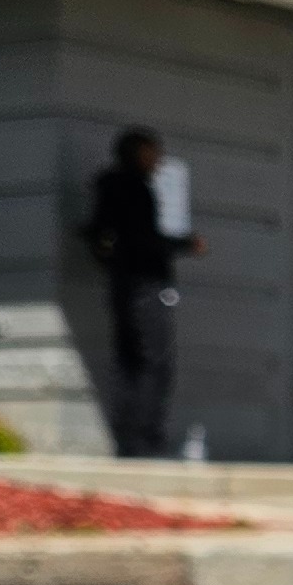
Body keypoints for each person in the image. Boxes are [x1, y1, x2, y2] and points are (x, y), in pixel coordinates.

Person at [85, 126, 203, 458]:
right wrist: (184, 244)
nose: (158, 160)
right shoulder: (136, 190)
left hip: (121, 285)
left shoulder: (107, 189)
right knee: (155, 364)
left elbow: (100, 236)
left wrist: (112, 261)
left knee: (129, 362)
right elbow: (142, 240)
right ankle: (145, 441)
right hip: (147, 285)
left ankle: (126, 440)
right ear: (138, 154)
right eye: (153, 152)